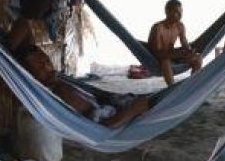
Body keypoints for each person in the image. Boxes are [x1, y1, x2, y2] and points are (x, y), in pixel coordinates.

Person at [10, 20, 149, 128]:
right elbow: (103, 128)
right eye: (40, 67)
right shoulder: (57, 93)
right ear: (31, 78)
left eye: (46, 60)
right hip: (115, 117)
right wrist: (134, 110)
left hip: (111, 104)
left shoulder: (58, 81)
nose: (47, 66)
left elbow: (24, 26)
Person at [147, 0, 203, 86]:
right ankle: (172, 88)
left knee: (198, 57)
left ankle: (192, 85)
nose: (180, 15)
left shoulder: (180, 26)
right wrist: (178, 54)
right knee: (165, 61)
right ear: (167, 12)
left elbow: (185, 44)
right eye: (176, 12)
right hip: (159, 59)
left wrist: (189, 51)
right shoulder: (158, 28)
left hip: (173, 56)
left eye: (181, 12)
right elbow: (157, 53)